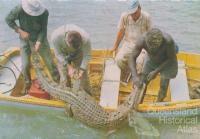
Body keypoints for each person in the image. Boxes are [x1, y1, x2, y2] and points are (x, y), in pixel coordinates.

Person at [5, 0, 59, 95]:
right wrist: (20, 31)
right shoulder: (19, 9)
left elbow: (43, 29)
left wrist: (38, 42)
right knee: (25, 64)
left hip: (40, 39)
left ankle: (58, 82)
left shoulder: (44, 12)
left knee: (50, 62)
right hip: (25, 39)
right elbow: (8, 19)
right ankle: (27, 84)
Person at [129, 28, 178, 102]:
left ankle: (159, 101)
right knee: (143, 80)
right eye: (151, 47)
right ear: (146, 42)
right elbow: (132, 57)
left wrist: (156, 71)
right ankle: (139, 101)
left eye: (156, 47)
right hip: (151, 58)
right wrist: (135, 76)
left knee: (164, 83)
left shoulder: (168, 41)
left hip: (167, 59)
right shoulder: (142, 40)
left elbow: (171, 59)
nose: (153, 50)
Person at [112, 0, 152, 81]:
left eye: (135, 13)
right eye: (131, 13)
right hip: (128, 44)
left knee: (140, 62)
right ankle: (127, 73)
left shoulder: (147, 17)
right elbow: (121, 32)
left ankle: (137, 82)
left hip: (142, 46)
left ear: (140, 8)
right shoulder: (124, 16)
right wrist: (115, 47)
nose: (133, 15)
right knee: (118, 60)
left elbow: (150, 35)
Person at [51, 24, 92, 95]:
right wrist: (69, 67)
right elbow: (58, 54)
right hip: (63, 53)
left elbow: (87, 55)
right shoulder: (56, 37)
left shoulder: (86, 38)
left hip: (78, 53)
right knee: (64, 77)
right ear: (66, 41)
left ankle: (88, 94)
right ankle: (66, 93)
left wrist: (82, 70)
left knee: (83, 77)